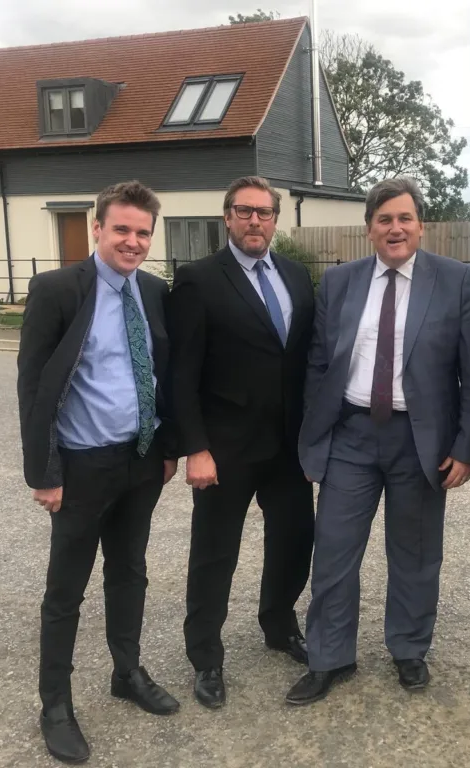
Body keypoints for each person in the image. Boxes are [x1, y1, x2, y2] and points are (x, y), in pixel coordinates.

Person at [285, 176, 470, 705]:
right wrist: (314, 437)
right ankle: (329, 655)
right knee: (332, 550)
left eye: (404, 218)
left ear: (421, 225)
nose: (394, 228)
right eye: (384, 219)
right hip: (350, 436)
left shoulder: (455, 280)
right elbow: (319, 364)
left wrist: (466, 446)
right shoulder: (341, 282)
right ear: (369, 228)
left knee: (416, 553)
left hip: (420, 440)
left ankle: (409, 648)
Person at [17, 180, 180, 764]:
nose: (132, 241)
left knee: (129, 572)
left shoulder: (156, 291)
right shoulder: (58, 289)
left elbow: (165, 373)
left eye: (142, 232)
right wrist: (44, 472)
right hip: (81, 467)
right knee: (65, 591)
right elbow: (34, 385)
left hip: (139, 461)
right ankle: (54, 704)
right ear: (97, 228)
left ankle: (126, 671)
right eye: (122, 229)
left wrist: (168, 449)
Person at [168, 176, 316, 711]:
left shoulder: (298, 278)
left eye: (265, 212)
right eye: (244, 211)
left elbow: (302, 362)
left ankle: (279, 625)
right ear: (226, 217)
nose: (256, 221)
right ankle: (205, 655)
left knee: (295, 541)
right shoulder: (198, 280)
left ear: (277, 219)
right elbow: (181, 374)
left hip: (289, 447)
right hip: (225, 449)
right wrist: (196, 448)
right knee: (214, 554)